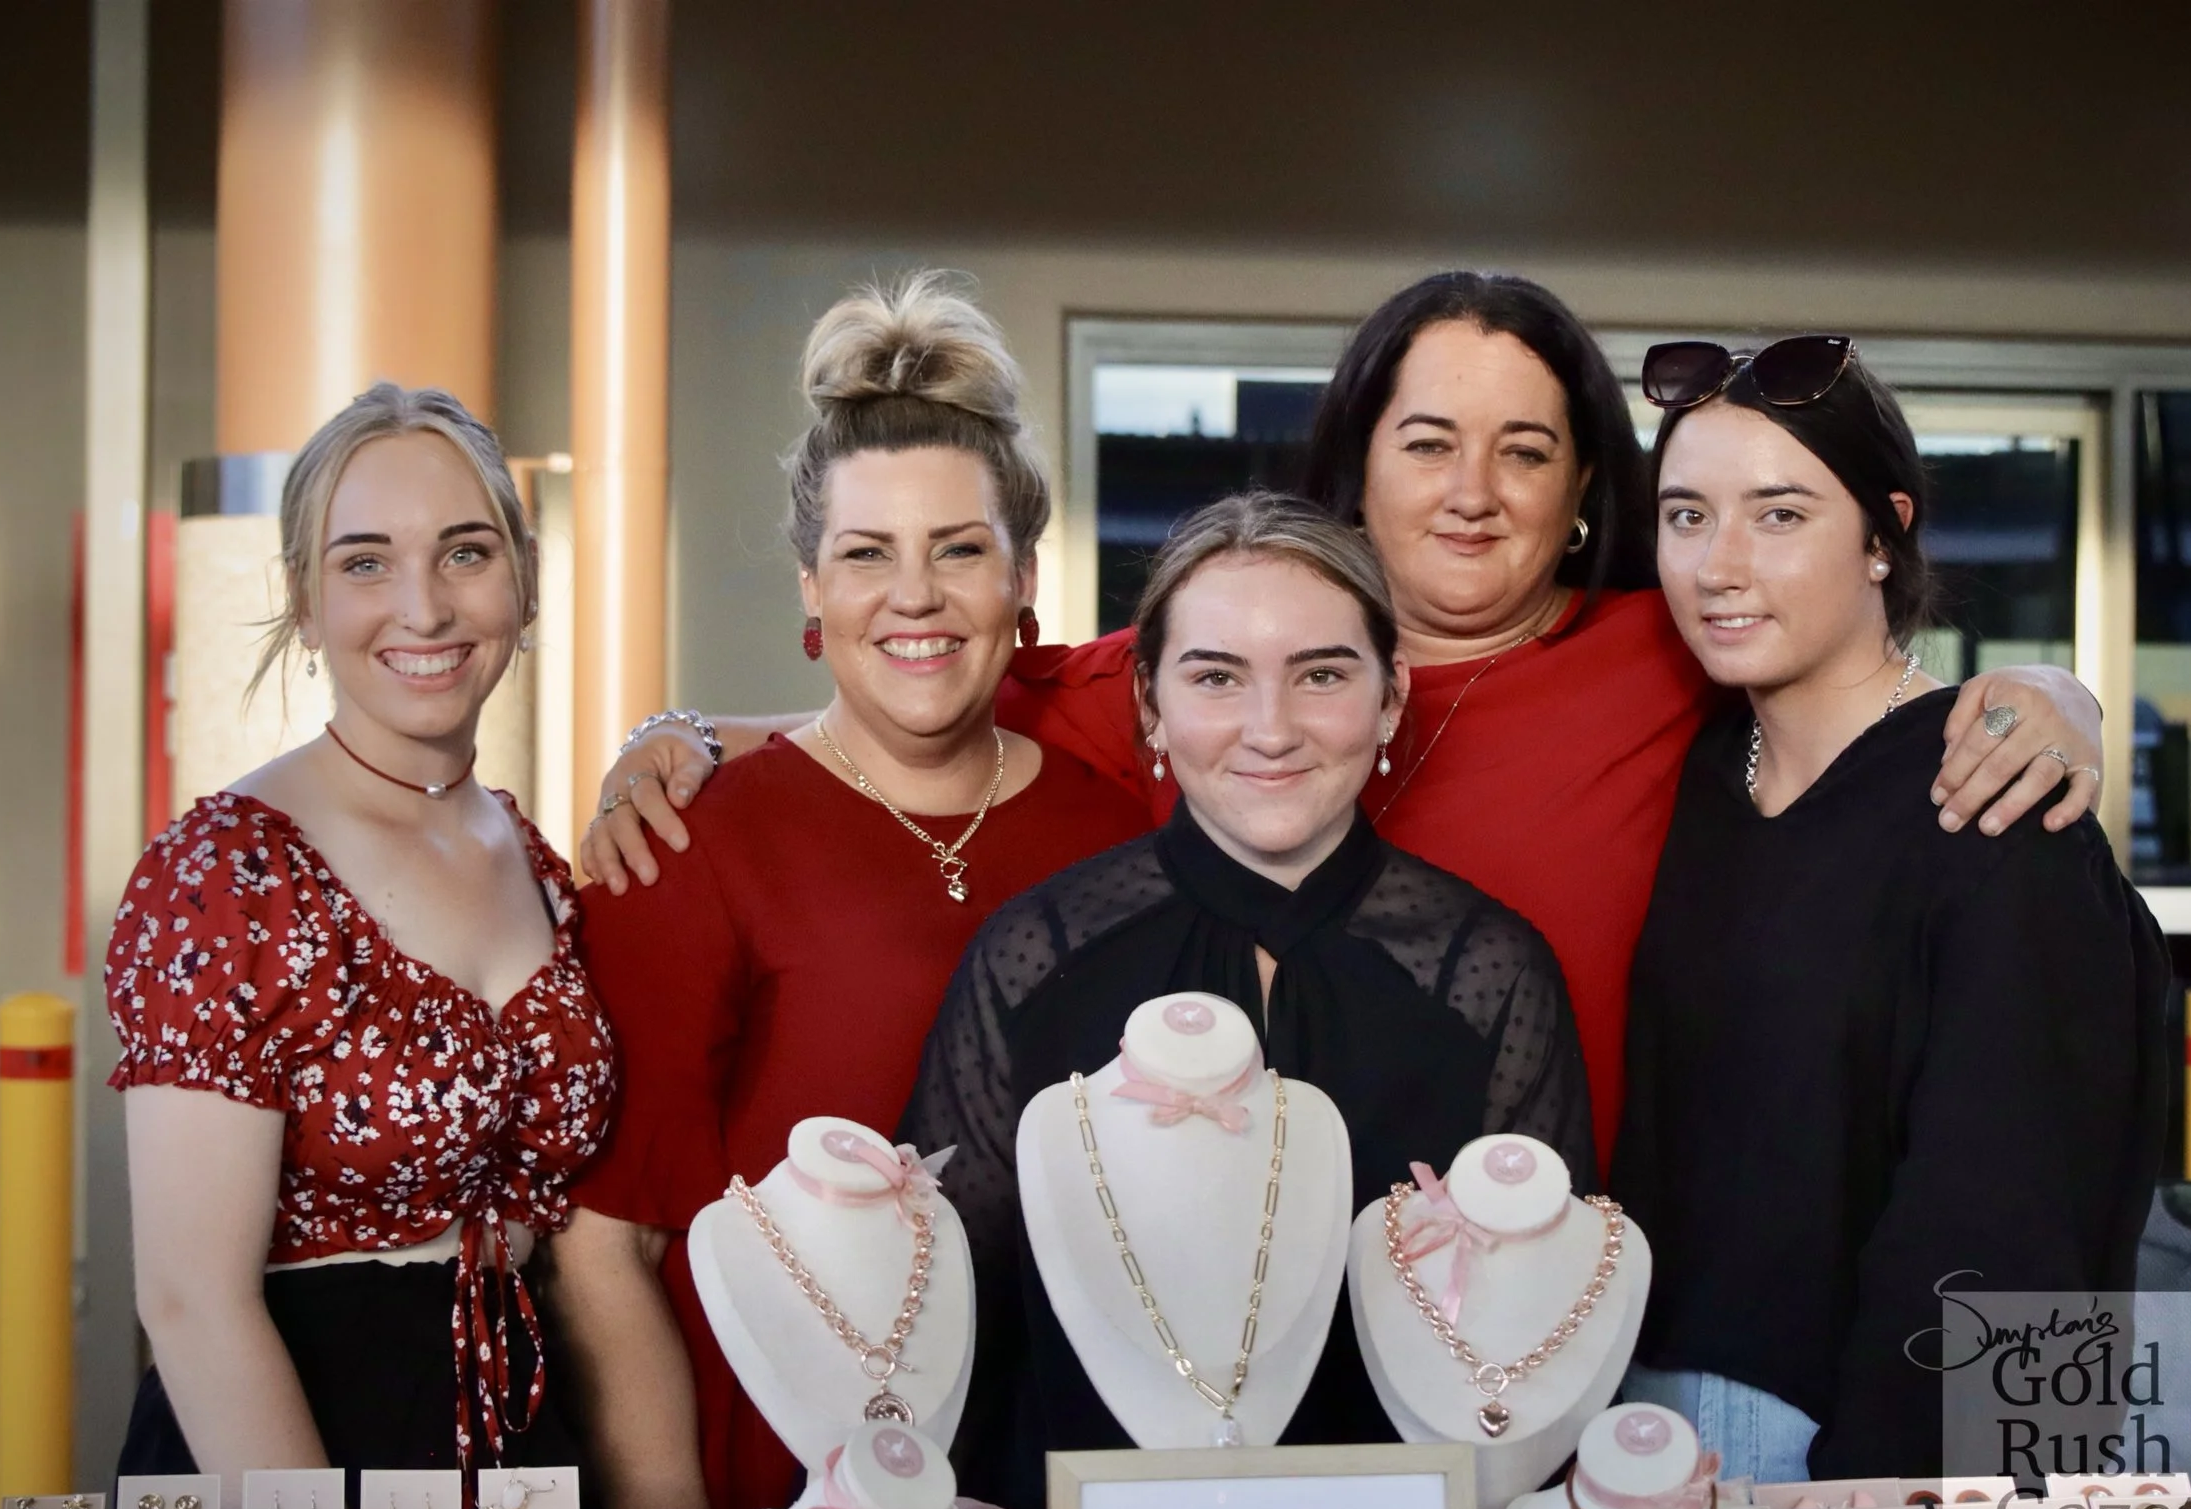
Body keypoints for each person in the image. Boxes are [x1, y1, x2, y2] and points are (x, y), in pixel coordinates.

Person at [581, 273, 2110, 1165]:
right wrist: (690, 731)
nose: (1473, 490)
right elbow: (923, 674)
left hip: (1588, 1274)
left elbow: (1833, 645)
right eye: (1429, 440)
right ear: (1357, 461)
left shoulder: (1666, 650)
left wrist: (2051, 690)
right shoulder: (1211, 666)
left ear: (1587, 489)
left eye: (1526, 450)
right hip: (1249, 1274)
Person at [547, 274, 1148, 1509]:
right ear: (811, 590)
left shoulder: (1116, 834)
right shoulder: (690, 842)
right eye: (866, 554)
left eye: (959, 549)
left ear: (1024, 575)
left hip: (1060, 1477)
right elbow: (608, 1248)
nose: (912, 595)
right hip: (781, 1496)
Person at [894, 491, 1597, 1509]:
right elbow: (945, 1319)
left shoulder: (1487, 971)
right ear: (1150, 701)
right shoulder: (1034, 955)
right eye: (1217, 676)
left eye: (1322, 674)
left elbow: (1541, 1330)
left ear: (1392, 695)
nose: (1271, 729)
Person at [1607, 337, 2167, 1502]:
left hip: (1875, 1448)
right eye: (1685, 515)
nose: (1718, 565)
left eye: (1780, 514)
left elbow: (2021, 1211)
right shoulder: (1695, 777)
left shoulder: (1994, 799)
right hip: (1642, 1416)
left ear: (1881, 535)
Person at [106, 385, 612, 1509]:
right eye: (366, 563)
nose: (424, 608)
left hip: (519, 1449)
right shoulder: (226, 872)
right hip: (281, 1474)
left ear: (526, 578)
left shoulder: (532, 857)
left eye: (465, 553)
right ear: (303, 597)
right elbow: (187, 1300)